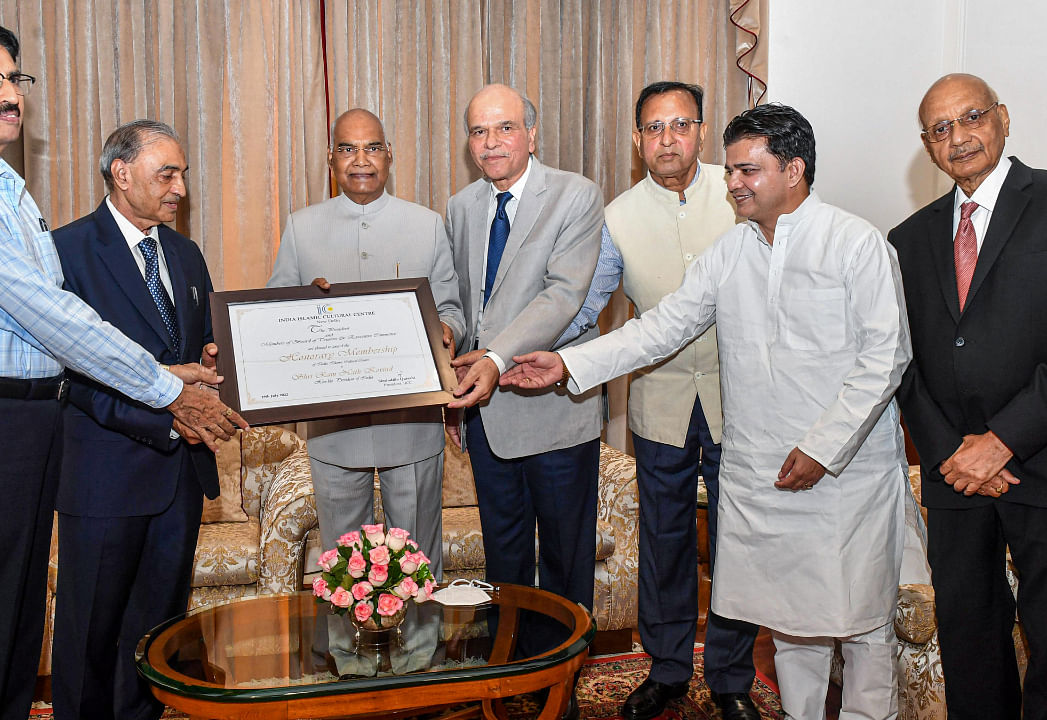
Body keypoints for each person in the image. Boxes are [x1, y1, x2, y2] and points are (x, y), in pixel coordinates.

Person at [0, 15, 243, 720]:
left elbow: (52, 329)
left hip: (14, 430)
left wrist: (178, 373)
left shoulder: (2, 185)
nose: (8, 93)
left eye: (14, 78)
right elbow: (47, 312)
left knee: (9, 643)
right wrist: (167, 389)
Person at [502, 104, 911, 720]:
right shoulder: (733, 251)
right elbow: (661, 328)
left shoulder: (856, 245)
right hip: (765, 471)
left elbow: (886, 357)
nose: (733, 183)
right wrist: (570, 365)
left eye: (748, 170)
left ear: (794, 170)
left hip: (844, 477)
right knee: (791, 620)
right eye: (733, 172)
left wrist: (823, 449)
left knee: (862, 623)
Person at [890, 74, 1047, 720]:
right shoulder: (907, 240)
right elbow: (902, 362)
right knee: (970, 650)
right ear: (926, 145)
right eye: (941, 129)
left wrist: (999, 444)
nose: (959, 136)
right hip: (956, 482)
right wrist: (951, 454)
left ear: (1001, 118)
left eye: (971, 117)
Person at [554, 81, 758, 720]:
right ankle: (667, 669)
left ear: (701, 130)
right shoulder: (616, 215)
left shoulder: (745, 191)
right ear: (638, 140)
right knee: (663, 541)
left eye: (681, 125)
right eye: (654, 129)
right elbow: (590, 306)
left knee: (738, 544)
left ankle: (730, 678)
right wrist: (529, 353)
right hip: (660, 405)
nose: (667, 139)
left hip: (744, 405)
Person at [49, 120, 221, 720]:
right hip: (104, 477)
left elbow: (192, 349)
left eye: (183, 175)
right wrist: (168, 418)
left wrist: (209, 360)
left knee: (156, 637)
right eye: (166, 174)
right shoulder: (66, 251)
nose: (179, 188)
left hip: (179, 482)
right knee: (89, 633)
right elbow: (67, 377)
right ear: (121, 173)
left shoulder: (185, 252)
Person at [267, 108, 463, 576]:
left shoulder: (427, 224)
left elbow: (453, 309)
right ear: (330, 159)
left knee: (418, 568)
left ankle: (421, 651)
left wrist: (447, 331)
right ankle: (350, 653)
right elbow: (273, 319)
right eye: (348, 148)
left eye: (372, 147)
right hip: (335, 431)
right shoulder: (301, 226)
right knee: (345, 572)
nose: (361, 160)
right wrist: (301, 309)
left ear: (389, 155)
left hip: (412, 425)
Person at [443, 84, 603, 641]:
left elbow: (563, 295)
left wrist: (492, 355)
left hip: (553, 412)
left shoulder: (575, 196)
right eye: (478, 132)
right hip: (487, 415)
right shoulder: (461, 207)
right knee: (504, 568)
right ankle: (512, 679)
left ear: (531, 134)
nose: (491, 144)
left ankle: (561, 686)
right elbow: (465, 305)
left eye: (504, 128)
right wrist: (448, 355)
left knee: (564, 565)